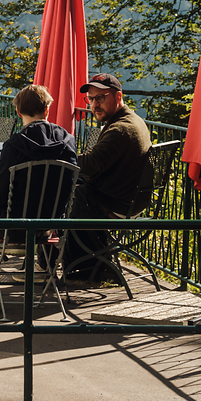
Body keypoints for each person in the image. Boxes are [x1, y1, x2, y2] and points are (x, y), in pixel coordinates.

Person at [0, 84, 78, 314]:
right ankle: (49, 268)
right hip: (50, 226)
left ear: (18, 112)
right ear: (47, 109)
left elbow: (0, 197)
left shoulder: (14, 145)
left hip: (12, 228)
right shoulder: (68, 141)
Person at [64, 72, 154, 282]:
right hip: (129, 197)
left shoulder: (121, 130)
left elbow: (90, 164)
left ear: (118, 97)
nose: (94, 105)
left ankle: (82, 267)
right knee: (75, 190)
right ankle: (90, 264)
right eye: (91, 99)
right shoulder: (132, 120)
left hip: (118, 203)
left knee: (68, 195)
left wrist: (60, 156)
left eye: (101, 98)